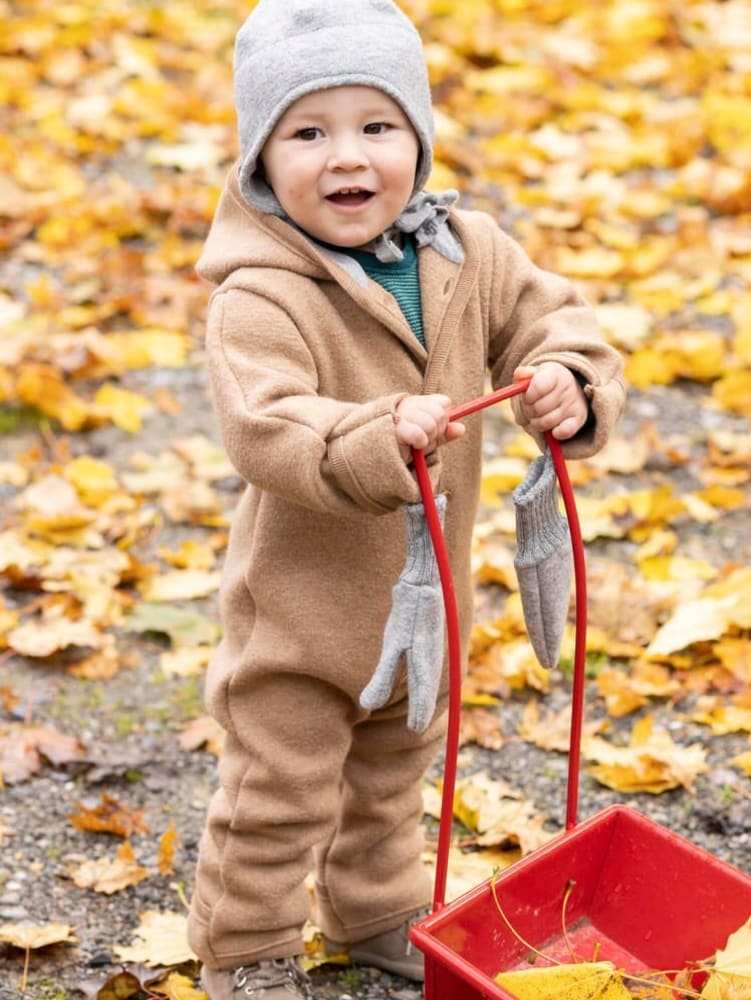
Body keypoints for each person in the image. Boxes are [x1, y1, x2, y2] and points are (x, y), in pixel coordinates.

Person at [188, 1, 626, 998]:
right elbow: (266, 424)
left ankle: (375, 912)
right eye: (308, 133)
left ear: (418, 141)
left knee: (392, 779)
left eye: (376, 125)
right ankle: (245, 947)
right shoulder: (260, 293)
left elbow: (555, 320)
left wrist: (567, 376)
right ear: (260, 162)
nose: (347, 156)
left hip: (425, 607)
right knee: (278, 794)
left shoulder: (467, 250)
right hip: (300, 619)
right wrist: (373, 432)